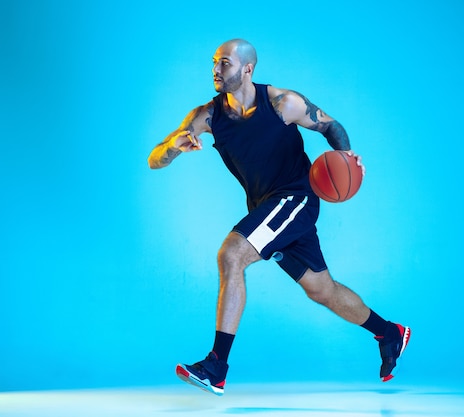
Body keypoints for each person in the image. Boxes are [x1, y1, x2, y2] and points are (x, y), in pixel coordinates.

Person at [147, 39, 410, 396]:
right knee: (322, 290)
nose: (215, 70)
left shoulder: (283, 103)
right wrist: (173, 148)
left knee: (231, 254)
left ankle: (216, 368)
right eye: (213, 63)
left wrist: (347, 156)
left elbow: (330, 126)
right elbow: (154, 158)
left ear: (247, 69)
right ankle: (389, 332)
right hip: (265, 207)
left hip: (297, 197)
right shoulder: (207, 116)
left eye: (224, 63)